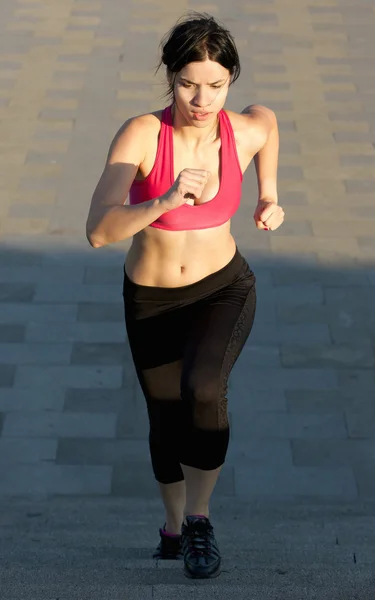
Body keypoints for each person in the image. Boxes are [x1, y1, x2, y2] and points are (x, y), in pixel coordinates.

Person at [86, 12, 284, 580]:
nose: (202, 98)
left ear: (230, 81)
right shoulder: (142, 135)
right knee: (164, 417)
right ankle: (172, 527)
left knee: (204, 389)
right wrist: (165, 200)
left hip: (223, 288)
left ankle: (199, 521)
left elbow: (267, 123)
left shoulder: (240, 130)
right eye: (188, 83)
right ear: (170, 76)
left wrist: (268, 194)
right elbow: (99, 231)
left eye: (217, 85)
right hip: (150, 298)